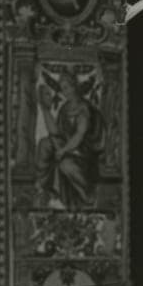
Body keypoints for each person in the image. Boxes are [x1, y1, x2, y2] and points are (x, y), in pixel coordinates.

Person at [35, 71, 103, 210]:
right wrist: (45, 109)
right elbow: (56, 133)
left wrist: (63, 150)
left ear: (74, 86)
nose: (64, 92)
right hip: (67, 148)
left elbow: (79, 135)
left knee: (66, 165)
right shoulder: (65, 108)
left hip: (83, 153)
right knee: (44, 144)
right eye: (62, 88)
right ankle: (43, 187)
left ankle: (87, 196)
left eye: (66, 87)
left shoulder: (83, 108)